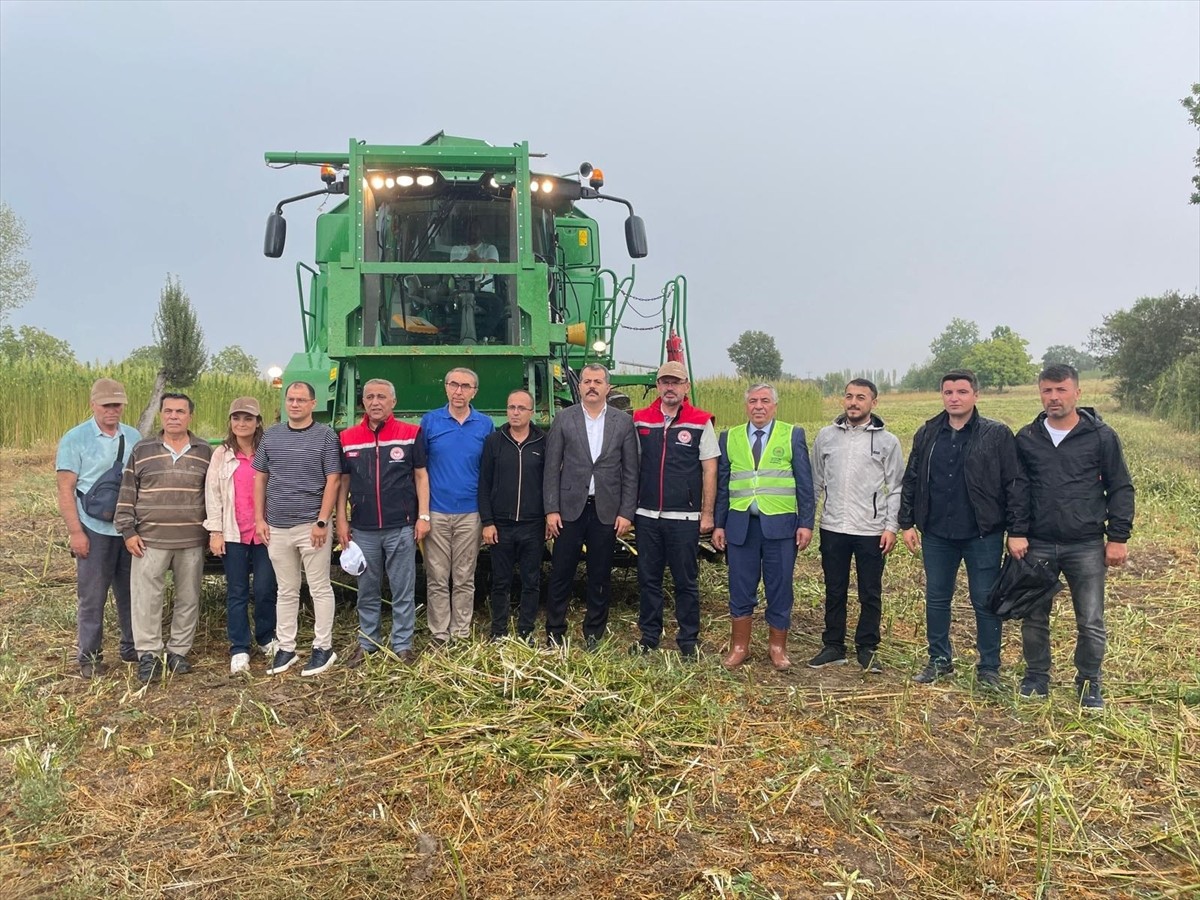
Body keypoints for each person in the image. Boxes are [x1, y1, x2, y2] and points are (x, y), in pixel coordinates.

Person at [1014, 364, 1135, 710]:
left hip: (1084, 544)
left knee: (1091, 620)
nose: (1054, 397)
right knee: (1034, 616)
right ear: (1040, 393)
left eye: (1061, 390)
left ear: (1077, 393)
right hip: (1036, 543)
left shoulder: (1101, 436)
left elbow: (1121, 488)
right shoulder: (1027, 438)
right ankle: (1037, 676)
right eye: (1047, 390)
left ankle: (1088, 683)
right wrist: (1018, 531)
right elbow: (1018, 490)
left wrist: (1118, 537)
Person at [898, 369, 1028, 689]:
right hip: (937, 533)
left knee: (984, 599)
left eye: (961, 392)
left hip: (982, 533)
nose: (954, 398)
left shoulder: (996, 434)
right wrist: (906, 522)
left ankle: (989, 668)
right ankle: (939, 660)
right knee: (937, 597)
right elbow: (912, 479)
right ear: (942, 395)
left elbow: (1014, 483)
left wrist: (1017, 529)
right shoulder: (928, 432)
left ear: (975, 395)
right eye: (948, 392)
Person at [712, 383, 815, 670]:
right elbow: (723, 486)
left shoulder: (792, 434)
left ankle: (777, 647)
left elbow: (805, 483)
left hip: (780, 527)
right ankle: (740, 646)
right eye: (753, 401)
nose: (759, 406)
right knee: (740, 586)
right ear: (746, 406)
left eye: (765, 401)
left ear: (775, 406)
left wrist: (806, 523)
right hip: (741, 526)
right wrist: (719, 524)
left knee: (780, 586)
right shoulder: (729, 437)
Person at [115, 393, 213, 685]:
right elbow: (127, 491)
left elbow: (212, 495)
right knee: (147, 598)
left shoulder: (204, 451)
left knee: (188, 597)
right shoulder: (143, 450)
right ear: (161, 415)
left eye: (180, 411)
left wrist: (212, 531)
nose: (173, 416)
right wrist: (128, 531)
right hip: (149, 539)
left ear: (189, 416)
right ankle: (149, 655)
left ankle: (178, 652)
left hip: (191, 538)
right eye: (168, 411)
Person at [808, 379, 904, 672]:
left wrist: (891, 526)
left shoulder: (887, 441)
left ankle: (867, 647)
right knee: (834, 589)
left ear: (873, 403)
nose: (853, 402)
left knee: (869, 591)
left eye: (861, 397)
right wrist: (807, 522)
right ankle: (833, 645)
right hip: (834, 526)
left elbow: (896, 486)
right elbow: (815, 482)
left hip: (871, 530)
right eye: (849, 396)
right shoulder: (826, 437)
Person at [337, 378, 430, 667]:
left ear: (393, 402)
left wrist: (423, 516)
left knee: (403, 588)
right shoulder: (348, 437)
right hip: (363, 529)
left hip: (401, 526)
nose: (375, 402)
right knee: (367, 589)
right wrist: (341, 520)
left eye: (381, 397)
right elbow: (343, 482)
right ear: (362, 402)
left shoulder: (411, 433)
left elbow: (421, 476)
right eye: (369, 397)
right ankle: (368, 643)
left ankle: (403, 644)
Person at [543, 366, 638, 649]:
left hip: (606, 511)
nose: (592, 386)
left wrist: (626, 512)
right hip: (569, 509)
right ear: (580, 386)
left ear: (608, 388)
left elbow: (631, 471)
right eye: (587, 381)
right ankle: (554, 632)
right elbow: (551, 468)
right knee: (561, 572)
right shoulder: (564, 418)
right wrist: (551, 510)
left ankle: (594, 634)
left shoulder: (622, 423)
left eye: (598, 381)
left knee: (599, 574)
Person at [253, 381, 342, 676]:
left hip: (311, 526)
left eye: (301, 400)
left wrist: (322, 520)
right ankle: (287, 648)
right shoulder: (272, 436)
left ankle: (323, 647)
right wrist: (259, 518)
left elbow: (333, 480)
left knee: (319, 587)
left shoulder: (326, 436)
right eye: (290, 399)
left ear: (313, 404)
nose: (295, 404)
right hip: (277, 526)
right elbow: (260, 478)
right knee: (287, 590)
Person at [55, 378, 143, 678]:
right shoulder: (75, 439)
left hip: (127, 530)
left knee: (132, 593)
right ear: (93, 405)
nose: (112, 410)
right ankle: (89, 658)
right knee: (92, 596)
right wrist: (76, 532)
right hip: (92, 529)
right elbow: (66, 489)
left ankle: (132, 647)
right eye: (106, 405)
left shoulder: (133, 437)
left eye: (117, 405)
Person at [632, 361, 719, 658]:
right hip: (646, 516)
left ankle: (688, 640)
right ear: (657, 386)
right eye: (664, 382)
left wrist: (707, 514)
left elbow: (709, 469)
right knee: (648, 579)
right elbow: (632, 466)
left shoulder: (700, 421)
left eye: (676, 382)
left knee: (685, 580)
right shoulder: (641, 419)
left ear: (686, 387)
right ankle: (649, 636)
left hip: (684, 517)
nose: (670, 387)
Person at [420, 367, 494, 643]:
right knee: (437, 576)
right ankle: (439, 633)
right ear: (446, 387)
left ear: (474, 391)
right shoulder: (431, 422)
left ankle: (460, 632)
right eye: (453, 384)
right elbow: (420, 469)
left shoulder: (484, 425)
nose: (459, 391)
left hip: (470, 513)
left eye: (465, 386)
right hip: (437, 511)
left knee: (464, 576)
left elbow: (489, 470)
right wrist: (423, 512)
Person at [204, 397, 278, 674]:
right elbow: (212, 493)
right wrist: (215, 531)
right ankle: (239, 647)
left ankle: (266, 637)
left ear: (258, 422)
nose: (242, 424)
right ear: (230, 422)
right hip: (234, 532)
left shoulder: (268, 451)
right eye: (236, 418)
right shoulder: (222, 454)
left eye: (248, 418)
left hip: (265, 531)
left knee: (264, 588)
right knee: (236, 591)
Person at [479, 388, 548, 641]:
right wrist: (488, 522)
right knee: (500, 581)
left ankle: (525, 632)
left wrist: (548, 515)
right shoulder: (494, 442)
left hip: (533, 525)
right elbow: (484, 484)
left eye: (521, 408)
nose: (515, 413)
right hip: (501, 525)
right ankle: (498, 631)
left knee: (531, 581)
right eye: (511, 408)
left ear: (532, 412)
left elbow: (550, 482)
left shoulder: (543, 442)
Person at [450, 220, 503, 342]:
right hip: (459, 293)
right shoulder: (456, 249)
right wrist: (468, 259)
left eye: (475, 228)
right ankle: (453, 340)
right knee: (446, 306)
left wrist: (478, 259)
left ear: (481, 231)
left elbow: (494, 266)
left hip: (484, 294)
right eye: (469, 228)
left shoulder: (490, 249)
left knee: (498, 305)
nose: (472, 231)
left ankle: (481, 338)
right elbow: (453, 266)